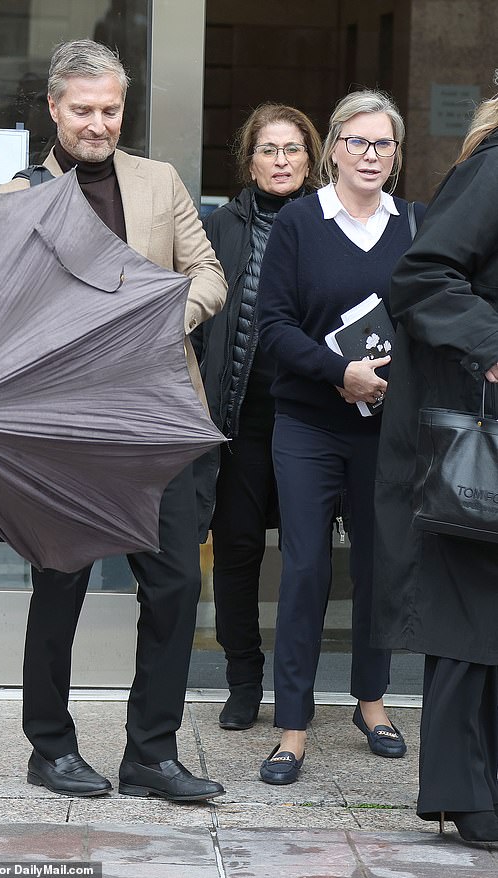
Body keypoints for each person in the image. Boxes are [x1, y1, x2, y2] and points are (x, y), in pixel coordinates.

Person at [0, 39, 227, 801]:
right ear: (56, 108)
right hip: (66, 435)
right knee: (58, 588)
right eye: (84, 110)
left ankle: (151, 754)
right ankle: (50, 747)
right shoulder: (18, 195)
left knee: (172, 591)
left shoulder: (159, 181)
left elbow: (210, 276)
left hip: (160, 421)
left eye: (112, 109)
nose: (99, 123)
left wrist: (157, 321)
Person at [256, 90, 423, 785]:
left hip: (385, 431)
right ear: (332, 148)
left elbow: (430, 315)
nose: (370, 155)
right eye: (357, 142)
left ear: (396, 154)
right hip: (308, 424)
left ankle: (372, 702)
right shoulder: (299, 222)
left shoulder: (415, 224)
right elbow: (273, 328)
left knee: (380, 569)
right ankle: (293, 724)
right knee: (304, 572)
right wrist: (340, 373)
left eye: (383, 144)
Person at [371, 96, 498, 842]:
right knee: (468, 611)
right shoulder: (492, 172)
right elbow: (422, 277)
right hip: (473, 433)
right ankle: (462, 793)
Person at [193, 103, 322, 731]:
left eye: (292, 149)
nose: (280, 161)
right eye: (268, 150)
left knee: (307, 554)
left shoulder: (331, 224)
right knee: (239, 548)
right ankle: (243, 680)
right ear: (249, 160)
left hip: (314, 413)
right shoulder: (219, 226)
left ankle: (304, 687)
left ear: (311, 158)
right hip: (242, 418)